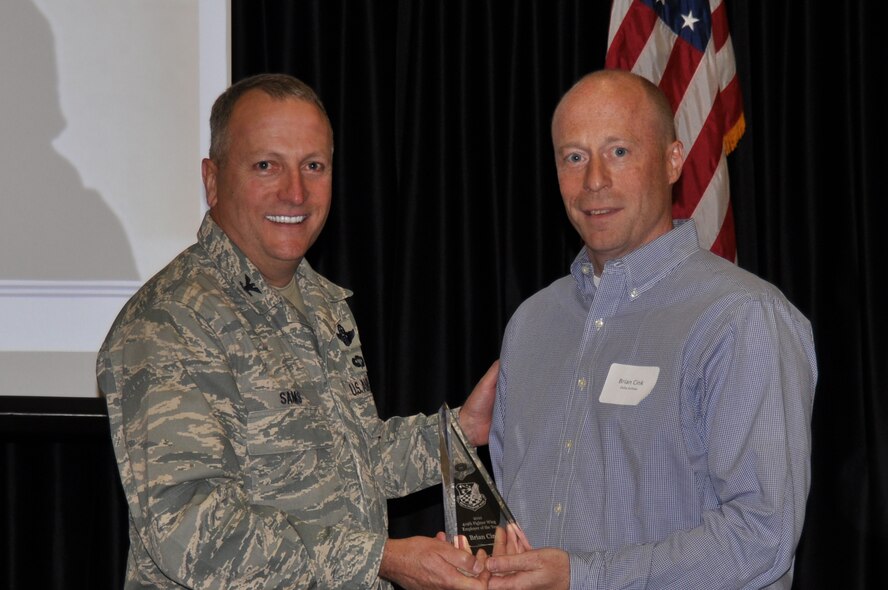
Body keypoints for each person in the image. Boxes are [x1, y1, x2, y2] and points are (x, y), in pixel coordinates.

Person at [97, 73, 496, 590]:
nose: (296, 191)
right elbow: (191, 530)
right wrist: (379, 558)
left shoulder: (324, 306)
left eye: (314, 166)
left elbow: (353, 458)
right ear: (213, 179)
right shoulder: (169, 321)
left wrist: (460, 431)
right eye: (267, 165)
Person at [485, 70, 817, 589]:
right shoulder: (531, 324)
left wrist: (584, 578)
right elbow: (510, 516)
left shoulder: (741, 318)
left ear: (673, 161)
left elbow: (761, 538)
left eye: (619, 151)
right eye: (574, 156)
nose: (594, 179)